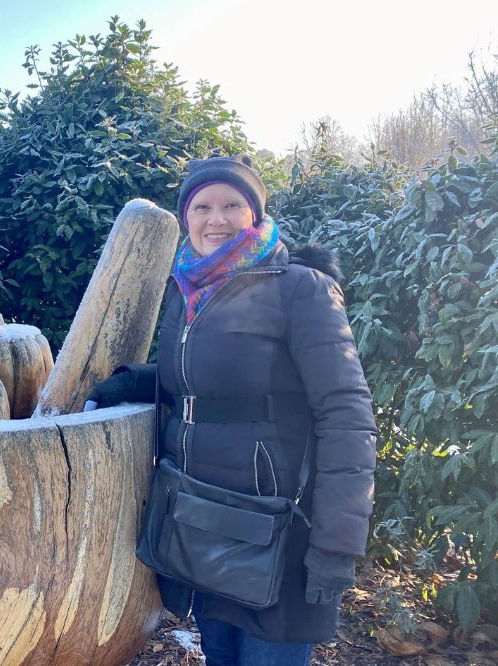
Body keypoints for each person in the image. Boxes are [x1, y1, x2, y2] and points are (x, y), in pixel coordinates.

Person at [87, 155, 376, 665]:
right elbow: (207, 383)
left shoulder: (299, 289)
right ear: (186, 216)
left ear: (255, 213)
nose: (214, 219)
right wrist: (138, 380)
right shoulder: (187, 290)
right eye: (201, 206)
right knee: (220, 657)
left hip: (279, 530)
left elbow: (346, 413)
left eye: (231, 204)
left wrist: (336, 543)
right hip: (204, 521)